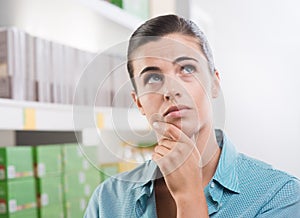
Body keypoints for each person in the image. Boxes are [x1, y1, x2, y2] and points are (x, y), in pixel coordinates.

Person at [84, 14, 300, 217]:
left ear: (215, 84)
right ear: (139, 102)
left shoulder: (279, 195)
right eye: (153, 78)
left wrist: (189, 197)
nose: (171, 89)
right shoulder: (107, 201)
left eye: (187, 69)